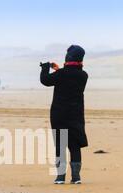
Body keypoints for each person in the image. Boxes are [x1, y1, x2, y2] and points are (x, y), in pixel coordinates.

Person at [40, 45, 89, 185]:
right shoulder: (83, 75)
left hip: (59, 114)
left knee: (60, 145)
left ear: (69, 57)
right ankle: (76, 177)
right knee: (75, 146)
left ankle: (60, 177)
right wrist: (58, 70)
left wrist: (45, 67)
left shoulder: (61, 74)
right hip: (76, 115)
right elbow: (69, 76)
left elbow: (45, 80)